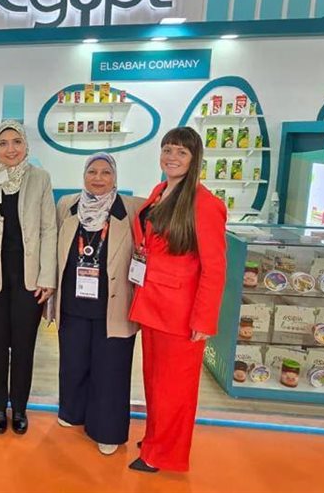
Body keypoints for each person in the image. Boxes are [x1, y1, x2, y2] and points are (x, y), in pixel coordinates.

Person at [127, 127, 226, 473]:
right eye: (167, 149)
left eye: (181, 152)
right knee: (155, 382)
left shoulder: (206, 204)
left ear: (194, 159)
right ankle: (155, 439)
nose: (172, 157)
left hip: (181, 313)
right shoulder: (160, 192)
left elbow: (215, 268)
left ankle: (164, 454)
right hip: (152, 304)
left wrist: (204, 320)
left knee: (175, 390)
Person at [0, 121, 56, 435]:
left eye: (16, 141)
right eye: (3, 143)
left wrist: (47, 277)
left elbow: (48, 230)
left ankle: (19, 408)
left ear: (25, 145)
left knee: (23, 349)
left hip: (29, 281)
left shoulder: (40, 178)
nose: (10, 149)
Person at [53, 153, 142, 456]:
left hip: (113, 306)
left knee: (110, 370)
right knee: (73, 362)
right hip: (73, 303)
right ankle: (73, 411)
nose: (99, 178)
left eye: (106, 172)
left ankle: (107, 429)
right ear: (84, 175)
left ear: (115, 177)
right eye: (92, 172)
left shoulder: (132, 208)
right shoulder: (67, 205)